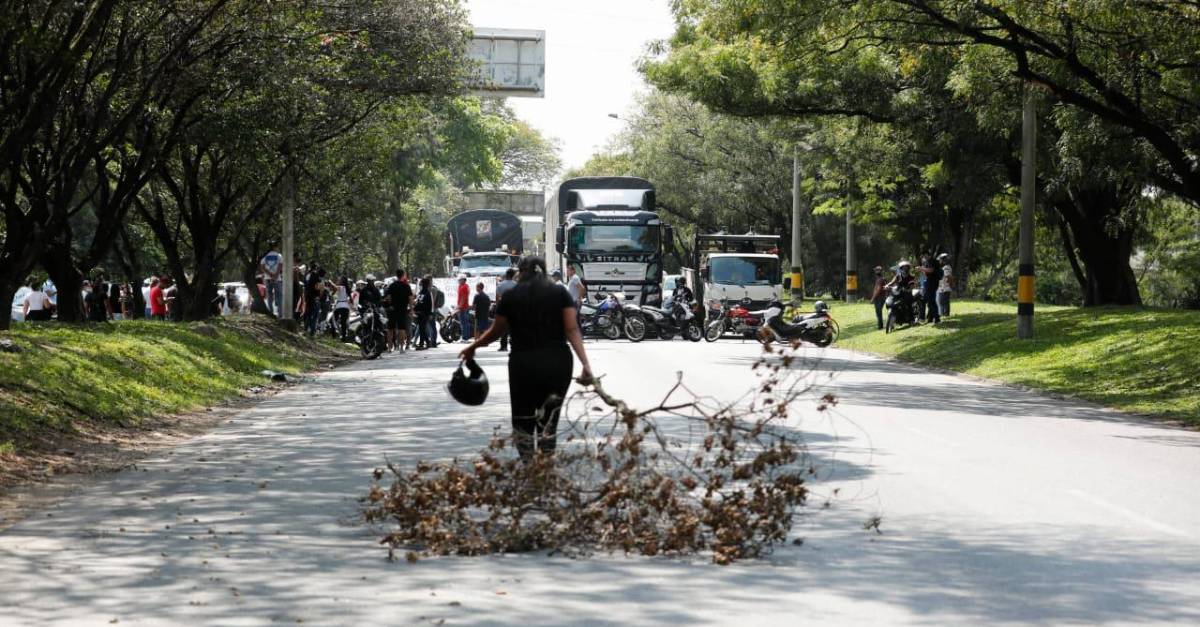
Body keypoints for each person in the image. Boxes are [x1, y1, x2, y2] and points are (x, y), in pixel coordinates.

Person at [460, 256, 594, 461]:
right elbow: (571, 328)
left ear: (521, 272)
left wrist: (473, 346)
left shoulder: (512, 295)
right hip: (557, 363)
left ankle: (529, 468)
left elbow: (497, 331)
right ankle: (545, 465)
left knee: (523, 419)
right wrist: (585, 364)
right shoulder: (559, 293)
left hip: (524, 365)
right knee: (549, 420)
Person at [385, 269, 413, 352]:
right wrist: (411, 309)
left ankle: (390, 348)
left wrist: (391, 304)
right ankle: (401, 348)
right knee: (402, 329)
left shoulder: (392, 285)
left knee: (390, 329)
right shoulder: (406, 286)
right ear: (403, 275)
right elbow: (410, 299)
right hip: (402, 309)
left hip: (393, 309)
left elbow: (389, 298)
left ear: (396, 275)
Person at [494, 267, 517, 351]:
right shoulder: (516, 284)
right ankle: (514, 345)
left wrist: (497, 308)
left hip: (504, 309)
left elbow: (497, 298)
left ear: (506, 275)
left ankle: (503, 346)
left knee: (503, 328)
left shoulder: (500, 285)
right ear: (513, 275)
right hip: (514, 309)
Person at [920, 254, 943, 324]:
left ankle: (937, 318)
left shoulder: (932, 261)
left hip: (932, 283)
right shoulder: (928, 262)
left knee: (931, 301)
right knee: (928, 301)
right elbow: (927, 272)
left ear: (926, 255)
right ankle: (930, 318)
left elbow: (931, 270)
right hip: (930, 282)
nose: (923, 258)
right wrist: (923, 269)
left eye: (923, 256)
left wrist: (921, 268)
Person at [260, 248, 283, 317]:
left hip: (268, 278)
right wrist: (276, 275)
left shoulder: (265, 256)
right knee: (279, 296)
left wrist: (270, 274)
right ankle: (280, 313)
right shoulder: (279, 256)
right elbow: (281, 265)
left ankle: (270, 312)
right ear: (275, 247)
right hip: (277, 279)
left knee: (269, 296)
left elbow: (262, 267)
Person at [413, 276, 434, 350]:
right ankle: (428, 342)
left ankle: (421, 344)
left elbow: (431, 304)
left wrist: (430, 314)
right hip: (419, 313)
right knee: (422, 329)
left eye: (421, 284)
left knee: (422, 328)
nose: (420, 285)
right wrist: (414, 309)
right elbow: (418, 302)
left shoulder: (428, 293)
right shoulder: (420, 293)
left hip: (424, 313)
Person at [456, 275, 472, 342]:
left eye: (459, 280)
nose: (458, 281)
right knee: (464, 323)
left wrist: (459, 306)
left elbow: (463, 298)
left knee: (464, 323)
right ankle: (465, 337)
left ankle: (465, 338)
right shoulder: (461, 286)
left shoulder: (464, 287)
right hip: (463, 307)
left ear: (463, 280)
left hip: (463, 308)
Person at [870, 265, 887, 330]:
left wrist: (873, 298)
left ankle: (880, 327)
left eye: (876, 270)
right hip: (882, 297)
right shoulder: (882, 279)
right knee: (879, 312)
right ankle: (880, 326)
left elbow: (878, 290)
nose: (875, 271)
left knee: (878, 312)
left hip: (879, 298)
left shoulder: (880, 280)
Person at [937, 253, 953, 318]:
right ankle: (944, 314)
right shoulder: (945, 267)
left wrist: (946, 283)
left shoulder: (946, 267)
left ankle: (945, 314)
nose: (940, 261)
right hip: (943, 287)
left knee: (943, 302)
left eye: (940, 260)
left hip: (944, 288)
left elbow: (948, 277)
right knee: (943, 302)